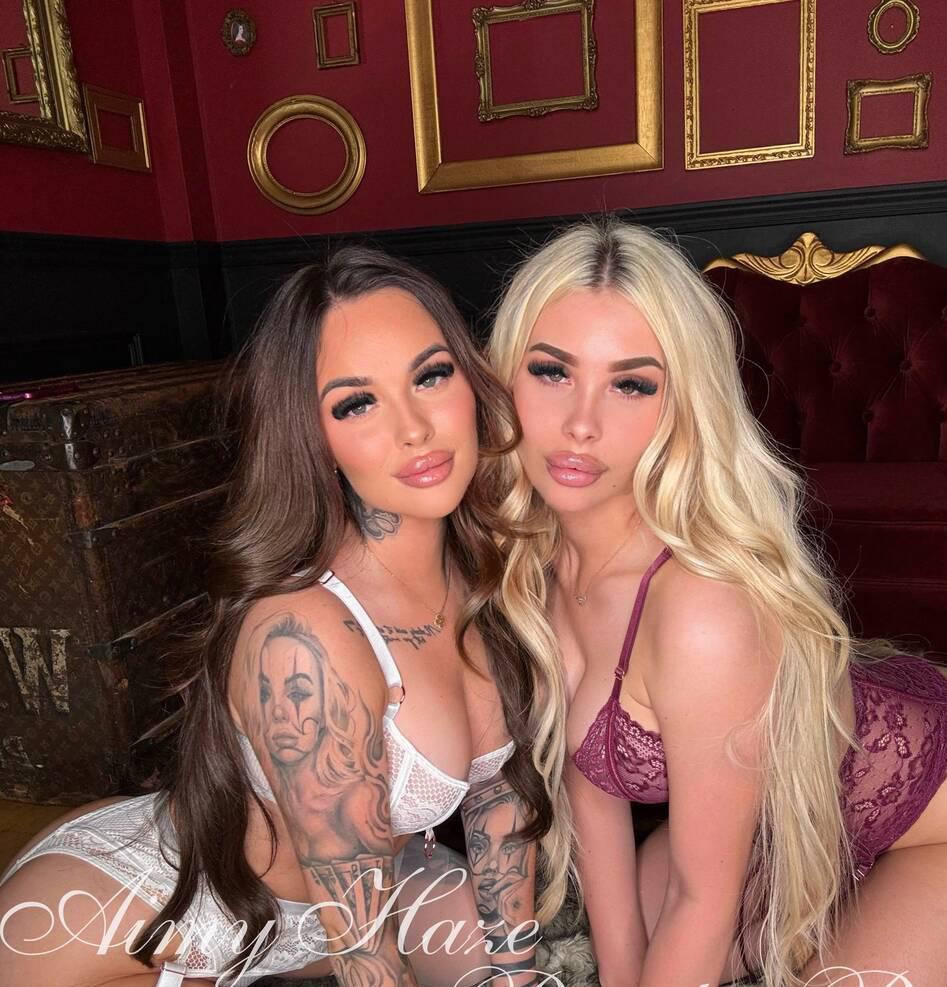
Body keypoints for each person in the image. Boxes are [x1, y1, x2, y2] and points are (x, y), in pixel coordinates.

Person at [0, 246, 572, 987]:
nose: (415, 429)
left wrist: (516, 974)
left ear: (471, 380)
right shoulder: (304, 634)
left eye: (430, 375)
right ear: (313, 435)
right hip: (148, 925)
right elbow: (366, 958)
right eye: (356, 403)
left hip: (341, 907)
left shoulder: (492, 571)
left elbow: (499, 797)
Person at [485, 218, 947, 987]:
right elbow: (592, 791)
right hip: (789, 821)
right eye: (551, 371)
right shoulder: (534, 562)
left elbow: (703, 903)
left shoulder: (700, 609)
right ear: (505, 375)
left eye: (631, 383)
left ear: (682, 404)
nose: (581, 423)